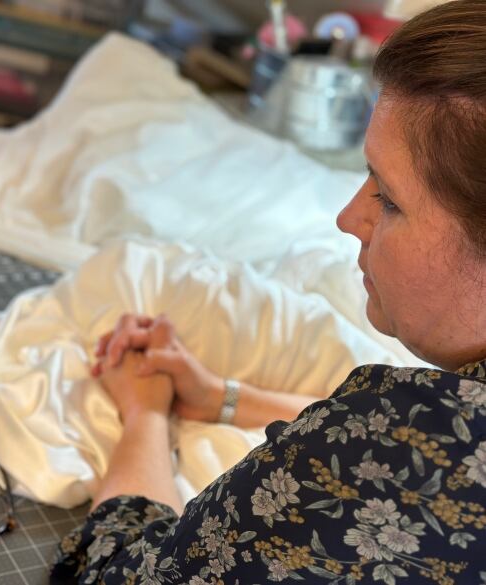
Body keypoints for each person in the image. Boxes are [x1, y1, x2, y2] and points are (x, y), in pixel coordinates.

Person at [50, 1, 486, 583]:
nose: (348, 216)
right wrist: (223, 398)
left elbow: (118, 575)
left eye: (388, 198)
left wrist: (143, 409)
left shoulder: (394, 454)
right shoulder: (427, 443)